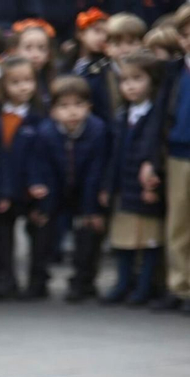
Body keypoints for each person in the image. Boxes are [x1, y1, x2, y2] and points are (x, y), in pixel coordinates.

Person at [25, 74, 106, 301]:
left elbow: (95, 172)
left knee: (88, 233)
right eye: (64, 106)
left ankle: (83, 281)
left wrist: (91, 210)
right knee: (42, 230)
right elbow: (39, 166)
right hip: (55, 190)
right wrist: (42, 201)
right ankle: (37, 280)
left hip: (84, 191)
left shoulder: (97, 131)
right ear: (53, 110)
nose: (72, 112)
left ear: (89, 107)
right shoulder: (45, 133)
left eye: (79, 105)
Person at [103, 50, 164, 306]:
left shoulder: (156, 116)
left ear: (152, 80)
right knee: (124, 240)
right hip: (123, 189)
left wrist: (154, 181)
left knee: (149, 240)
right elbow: (112, 157)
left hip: (145, 189)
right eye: (125, 80)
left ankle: (144, 286)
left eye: (137, 78)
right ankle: (123, 282)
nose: (130, 86)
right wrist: (107, 186)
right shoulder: (121, 115)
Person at [0, 54, 39, 300]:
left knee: (37, 234)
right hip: (5, 186)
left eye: (28, 80)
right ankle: (6, 279)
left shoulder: (40, 115)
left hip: (32, 186)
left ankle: (36, 280)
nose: (23, 87)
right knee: (3, 237)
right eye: (16, 82)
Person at [156, 6, 190, 313]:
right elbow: (160, 116)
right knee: (178, 224)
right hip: (179, 153)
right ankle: (179, 286)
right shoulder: (175, 72)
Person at [12, 20, 54, 108]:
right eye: (28, 48)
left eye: (42, 48)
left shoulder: (54, 80)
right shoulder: (6, 76)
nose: (35, 55)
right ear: (16, 50)